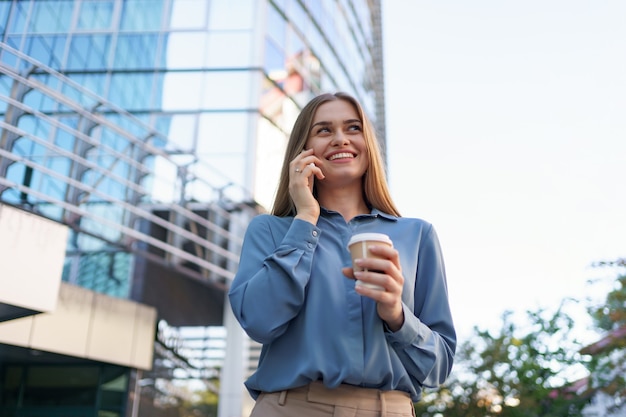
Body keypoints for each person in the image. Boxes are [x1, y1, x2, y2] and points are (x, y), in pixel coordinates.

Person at [228, 92, 456, 417]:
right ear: (302, 151)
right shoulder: (269, 230)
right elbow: (260, 323)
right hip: (290, 408)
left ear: (368, 144)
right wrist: (305, 218)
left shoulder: (417, 236)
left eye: (352, 128)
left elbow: (438, 368)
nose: (339, 139)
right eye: (323, 130)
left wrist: (396, 314)